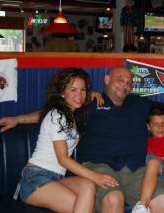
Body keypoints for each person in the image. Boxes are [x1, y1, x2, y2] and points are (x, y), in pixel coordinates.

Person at [0, 66, 164, 213]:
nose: (125, 85)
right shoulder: (87, 105)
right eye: (120, 80)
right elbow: (50, 113)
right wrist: (18, 119)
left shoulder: (139, 102)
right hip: (98, 166)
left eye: (129, 82)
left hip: (135, 168)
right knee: (113, 198)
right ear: (107, 79)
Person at [16, 68, 118, 213]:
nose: (79, 95)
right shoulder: (57, 116)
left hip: (56, 179)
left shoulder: (71, 114)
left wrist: (89, 95)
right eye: (73, 90)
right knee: (84, 207)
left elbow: (78, 100)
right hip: (35, 178)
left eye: (83, 90)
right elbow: (63, 159)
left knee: (88, 186)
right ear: (62, 92)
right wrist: (97, 176)